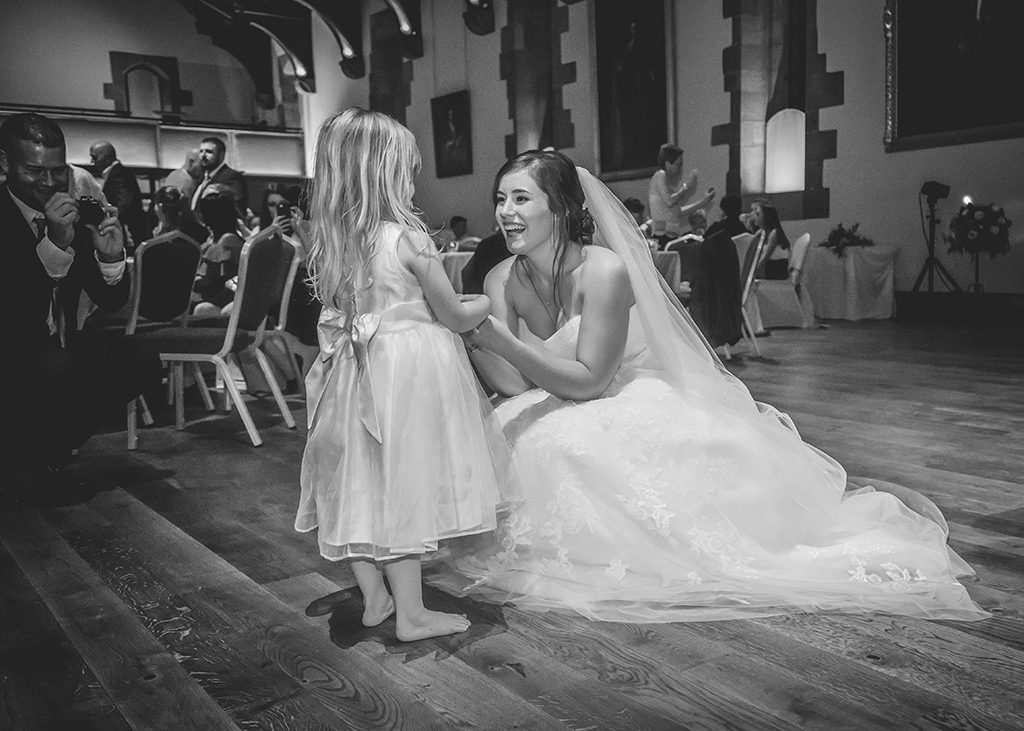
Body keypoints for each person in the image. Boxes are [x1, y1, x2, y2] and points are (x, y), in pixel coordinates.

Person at [438, 149, 987, 624]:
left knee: (565, 445)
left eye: (520, 199)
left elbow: (590, 382)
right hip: (547, 392)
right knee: (508, 436)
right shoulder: (500, 277)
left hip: (613, 390)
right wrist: (473, 341)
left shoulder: (603, 272)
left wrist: (497, 339)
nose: (504, 213)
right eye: (500, 199)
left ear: (559, 208)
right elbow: (511, 384)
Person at [294, 108, 518, 642]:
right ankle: (413, 616)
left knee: (363, 479)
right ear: (386, 173)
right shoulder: (409, 239)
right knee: (408, 480)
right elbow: (453, 315)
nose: (414, 178)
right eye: (409, 169)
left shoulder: (334, 242)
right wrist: (484, 300)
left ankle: (376, 599)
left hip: (356, 371)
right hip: (408, 373)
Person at [1, 113, 134, 491]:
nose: (48, 182)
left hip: (59, 345)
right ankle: (17, 458)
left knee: (136, 361)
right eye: (33, 170)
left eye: (57, 171)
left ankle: (44, 451)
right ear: (4, 163)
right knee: (53, 365)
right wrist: (55, 245)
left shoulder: (72, 213)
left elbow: (111, 299)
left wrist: (110, 257)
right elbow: (14, 308)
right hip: (9, 346)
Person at [191, 184, 245, 318]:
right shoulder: (212, 242)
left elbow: (212, 280)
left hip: (226, 297)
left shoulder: (228, 241)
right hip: (213, 297)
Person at [647, 143, 715, 247]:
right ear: (667, 163)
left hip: (671, 235)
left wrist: (704, 201)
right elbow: (670, 202)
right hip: (662, 235)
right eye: (677, 164)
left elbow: (677, 212)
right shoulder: (660, 175)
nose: (679, 168)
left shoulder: (668, 182)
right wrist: (687, 186)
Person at [90, 140, 149, 250]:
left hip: (129, 235)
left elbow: (125, 203)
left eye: (95, 157)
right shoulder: (119, 173)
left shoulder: (119, 175)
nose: (92, 162)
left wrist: (108, 221)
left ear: (107, 159)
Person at [190, 136, 248, 218]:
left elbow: (238, 210)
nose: (203, 155)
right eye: (201, 151)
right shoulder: (201, 178)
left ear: (221, 154)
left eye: (209, 152)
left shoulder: (232, 177)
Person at [750, 199, 790, 280]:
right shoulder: (762, 232)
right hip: (769, 268)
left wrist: (749, 275)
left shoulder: (774, 234)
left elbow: (763, 259)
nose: (754, 217)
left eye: (757, 214)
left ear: (767, 217)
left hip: (776, 270)